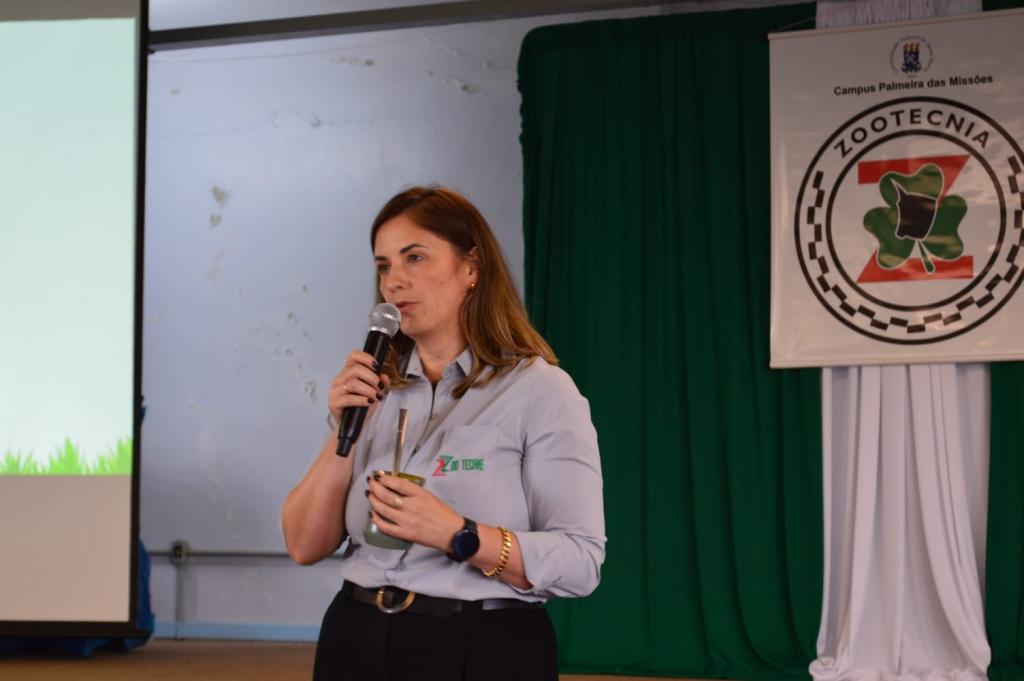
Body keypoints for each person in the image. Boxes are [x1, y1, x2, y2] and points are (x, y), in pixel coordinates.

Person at [282, 186, 605, 681]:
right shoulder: (374, 390)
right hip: (355, 638)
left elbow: (581, 562)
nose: (394, 281)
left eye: (414, 257)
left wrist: (458, 534)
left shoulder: (539, 390)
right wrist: (343, 429)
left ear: (471, 267)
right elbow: (304, 545)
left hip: (479, 647)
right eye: (384, 266)